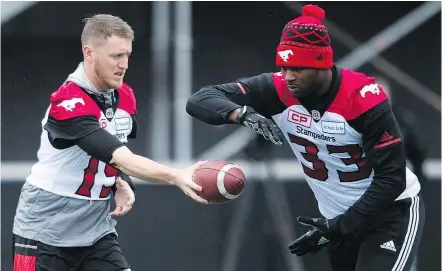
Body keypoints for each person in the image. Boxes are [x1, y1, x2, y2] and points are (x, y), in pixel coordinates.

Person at [186, 5, 424, 271]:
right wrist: (240, 113)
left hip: (389, 213)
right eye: (284, 66)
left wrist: (340, 225)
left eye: (297, 68)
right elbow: (200, 99)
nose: (288, 76)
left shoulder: (362, 98)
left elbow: (392, 179)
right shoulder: (277, 88)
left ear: (322, 63)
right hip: (336, 219)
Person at [12, 14, 207, 271]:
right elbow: (115, 153)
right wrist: (175, 176)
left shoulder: (125, 95)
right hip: (46, 227)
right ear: (89, 53)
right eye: (116, 56)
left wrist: (120, 181)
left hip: (96, 228)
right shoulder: (68, 102)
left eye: (127, 55)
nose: (124, 64)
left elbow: (115, 151)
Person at [375, 75, 428, 186]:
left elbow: (418, 153)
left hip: (397, 181)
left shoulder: (403, 120)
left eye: (383, 93)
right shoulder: (355, 121)